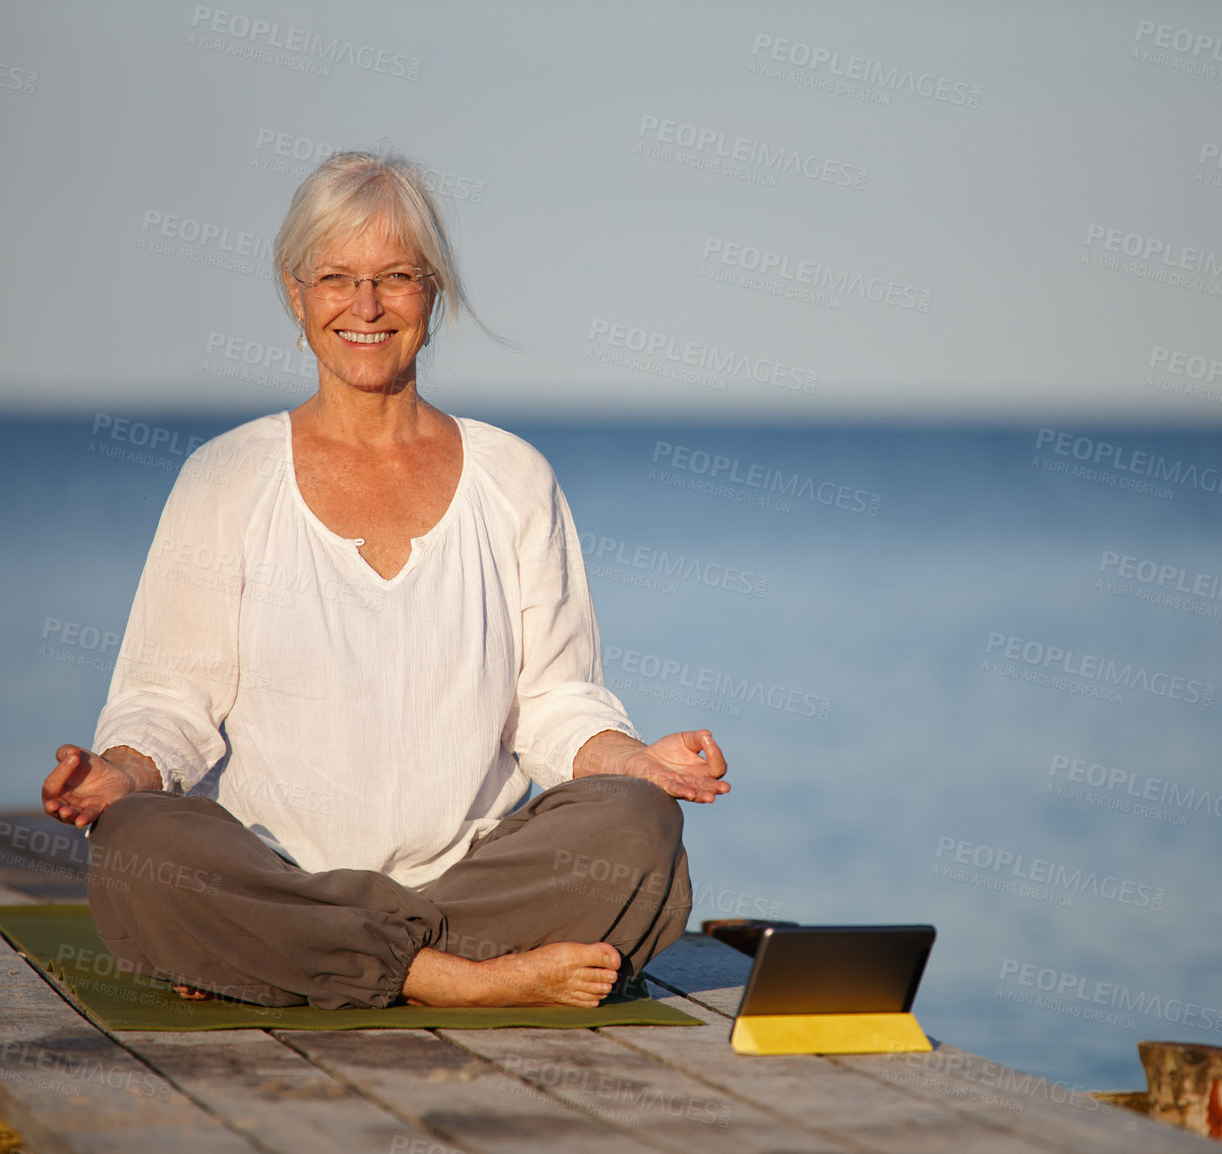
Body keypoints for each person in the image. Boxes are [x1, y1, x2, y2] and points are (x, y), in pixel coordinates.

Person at [40, 150, 729, 1010]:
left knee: (640, 828)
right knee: (137, 843)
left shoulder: (513, 477)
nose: (365, 307)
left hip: (467, 886)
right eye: (336, 278)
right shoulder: (225, 477)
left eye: (395, 277)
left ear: (432, 294)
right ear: (297, 295)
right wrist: (120, 772)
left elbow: (555, 704)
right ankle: (454, 979)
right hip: (277, 869)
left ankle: (296, 956)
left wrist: (639, 762)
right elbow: (171, 699)